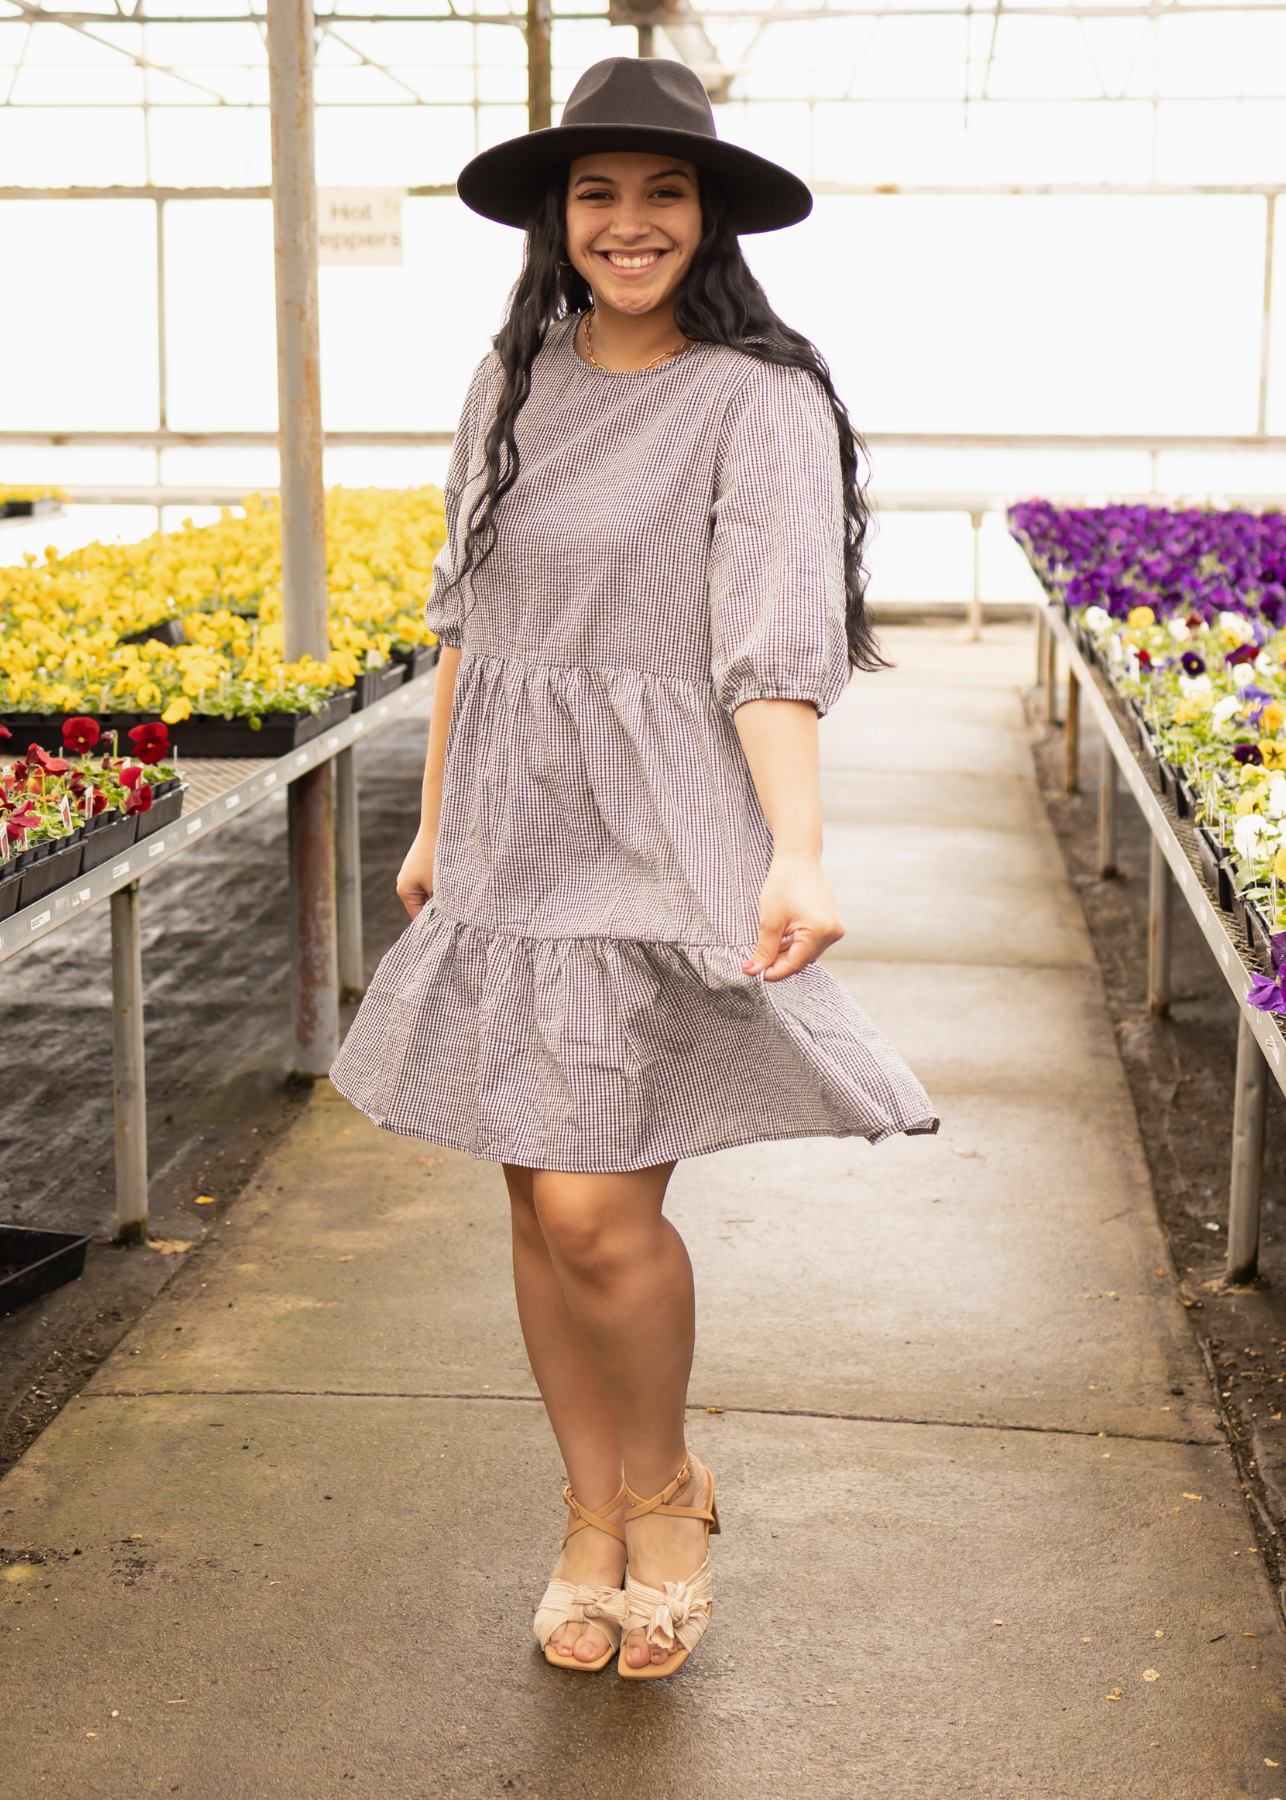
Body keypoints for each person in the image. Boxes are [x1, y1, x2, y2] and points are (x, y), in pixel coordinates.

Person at [331, 55, 937, 1682]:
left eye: (662, 192)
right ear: (556, 217)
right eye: (596, 192)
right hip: (515, 826)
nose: (627, 222)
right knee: (537, 1194)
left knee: (601, 1205)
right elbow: (470, 619)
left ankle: (665, 1495)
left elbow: (774, 650)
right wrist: (434, 820)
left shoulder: (759, 402)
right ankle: (586, 1516)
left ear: (711, 217)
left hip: (665, 825)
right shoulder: (510, 376)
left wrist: (795, 852)